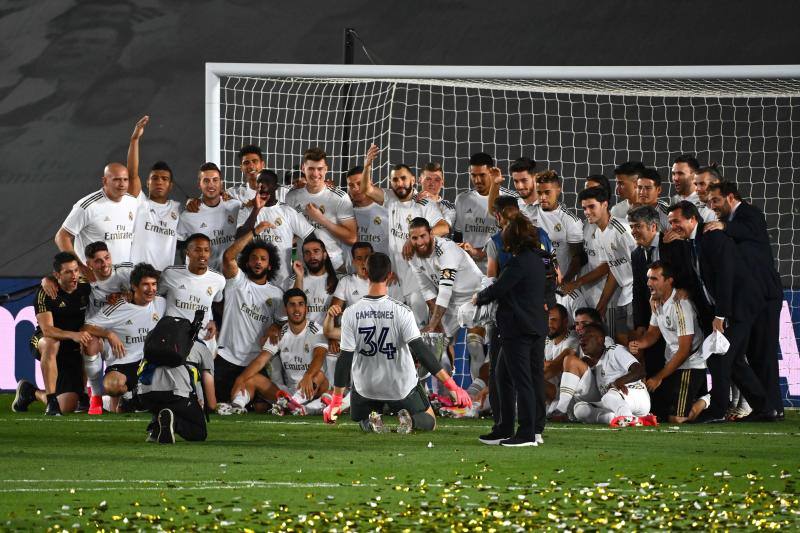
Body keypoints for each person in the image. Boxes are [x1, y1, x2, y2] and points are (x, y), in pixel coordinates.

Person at [323, 252, 471, 433]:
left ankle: (370, 418)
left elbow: (345, 359)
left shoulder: (351, 313)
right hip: (399, 386)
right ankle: (411, 421)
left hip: (365, 389)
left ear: (366, 274)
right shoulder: (402, 311)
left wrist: (336, 401)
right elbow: (421, 351)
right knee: (430, 421)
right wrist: (452, 386)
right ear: (390, 275)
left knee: (364, 410)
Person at [666, 200, 771, 422]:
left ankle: (717, 411)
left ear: (692, 219)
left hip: (740, 306)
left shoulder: (712, 238)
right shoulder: (689, 243)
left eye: (677, 221)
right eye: (669, 222)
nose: (672, 226)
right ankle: (765, 408)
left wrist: (720, 315)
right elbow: (693, 277)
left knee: (718, 359)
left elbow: (726, 277)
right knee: (734, 361)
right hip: (724, 308)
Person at [705, 181, 784, 419]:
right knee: (753, 353)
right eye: (709, 202)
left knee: (764, 352)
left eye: (716, 201)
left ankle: (773, 407)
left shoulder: (750, 213)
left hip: (767, 295)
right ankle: (767, 407)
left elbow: (747, 231)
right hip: (754, 296)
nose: (713, 207)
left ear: (730, 197)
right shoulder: (735, 221)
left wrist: (723, 226)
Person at [474, 214, 547, 447]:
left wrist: (478, 298)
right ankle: (507, 428)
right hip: (534, 326)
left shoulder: (519, 262)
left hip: (518, 328)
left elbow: (499, 288)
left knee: (521, 379)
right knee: (504, 375)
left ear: (512, 237)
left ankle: (526, 433)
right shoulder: (537, 259)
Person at [358, 143, 449, 322]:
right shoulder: (390, 198)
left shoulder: (424, 203)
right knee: (391, 323)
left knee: (417, 324)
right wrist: (368, 164)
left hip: (419, 276)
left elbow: (444, 227)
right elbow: (366, 189)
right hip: (395, 276)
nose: (399, 183)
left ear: (413, 180)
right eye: (395, 180)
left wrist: (414, 239)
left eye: (403, 178)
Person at [214, 223, 285, 409]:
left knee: (262, 406)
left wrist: (277, 325)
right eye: (254, 258)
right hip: (226, 357)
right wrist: (254, 232)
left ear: (270, 265)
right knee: (215, 405)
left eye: (263, 259)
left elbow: (284, 323)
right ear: (247, 262)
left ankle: (244, 405)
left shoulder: (277, 294)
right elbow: (228, 256)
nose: (258, 262)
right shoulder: (237, 282)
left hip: (254, 363)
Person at [408, 217, 487, 383]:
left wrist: (432, 324)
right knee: (438, 346)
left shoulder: (446, 250)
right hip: (451, 303)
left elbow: (444, 291)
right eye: (414, 238)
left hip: (475, 296)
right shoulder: (413, 256)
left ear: (431, 234)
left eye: (423, 236)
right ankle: (447, 397)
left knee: (474, 346)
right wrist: (436, 325)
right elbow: (427, 289)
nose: (419, 242)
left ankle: (478, 396)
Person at [227, 288, 329, 416]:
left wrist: (308, 376)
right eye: (292, 305)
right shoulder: (280, 333)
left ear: (306, 308)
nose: (297, 309)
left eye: (300, 304)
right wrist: (240, 379)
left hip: (314, 388)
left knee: (318, 375)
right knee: (251, 378)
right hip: (289, 392)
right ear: (285, 309)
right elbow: (260, 360)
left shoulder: (316, 330)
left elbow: (319, 356)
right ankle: (237, 405)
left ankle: (293, 403)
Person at [628, 261, 708, 423]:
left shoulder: (680, 306)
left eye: (654, 279)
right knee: (659, 414)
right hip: (672, 363)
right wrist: (640, 344)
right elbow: (653, 333)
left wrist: (659, 377)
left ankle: (709, 398)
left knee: (677, 419)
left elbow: (685, 350)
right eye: (648, 278)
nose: (649, 283)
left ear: (669, 281)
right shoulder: (657, 302)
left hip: (690, 365)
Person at [13, 252, 91, 416]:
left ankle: (29, 392)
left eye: (76, 270)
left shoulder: (85, 285)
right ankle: (51, 400)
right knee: (51, 342)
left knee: (67, 406)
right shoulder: (45, 293)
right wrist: (74, 335)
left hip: (72, 347)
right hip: (45, 340)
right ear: (57, 275)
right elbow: (47, 330)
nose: (74, 276)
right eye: (68, 272)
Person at [82, 262, 166, 413]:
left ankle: (131, 398)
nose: (151, 289)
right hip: (123, 364)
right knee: (112, 385)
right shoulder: (118, 306)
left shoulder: (161, 303)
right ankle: (110, 398)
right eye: (145, 285)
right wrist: (109, 334)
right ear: (134, 286)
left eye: (154, 284)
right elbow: (86, 327)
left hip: (149, 363)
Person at [159, 233, 226, 392]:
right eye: (197, 250)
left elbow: (214, 302)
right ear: (187, 253)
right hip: (175, 339)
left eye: (206, 250)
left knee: (205, 388)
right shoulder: (170, 274)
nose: (202, 254)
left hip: (203, 337)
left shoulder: (218, 280)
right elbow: (157, 297)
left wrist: (213, 321)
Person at [560, 323, 655, 427]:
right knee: (579, 409)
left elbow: (640, 371)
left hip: (635, 395)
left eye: (588, 335)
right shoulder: (594, 365)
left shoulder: (614, 350)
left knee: (608, 397)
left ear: (600, 340)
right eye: (581, 336)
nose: (582, 339)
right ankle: (618, 419)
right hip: (616, 402)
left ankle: (626, 417)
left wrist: (619, 381)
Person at [573, 187, 636, 343]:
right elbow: (614, 269)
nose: (587, 212)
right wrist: (601, 305)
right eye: (584, 208)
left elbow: (642, 263)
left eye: (591, 206)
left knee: (636, 346)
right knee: (623, 343)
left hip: (637, 296)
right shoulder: (600, 234)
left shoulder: (623, 230)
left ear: (605, 205)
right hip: (624, 296)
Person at [237, 169, 315, 287]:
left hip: (282, 281)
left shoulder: (287, 211)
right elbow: (239, 238)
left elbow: (311, 237)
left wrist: (303, 260)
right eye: (259, 182)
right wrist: (256, 209)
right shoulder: (247, 209)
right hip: (253, 280)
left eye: (267, 182)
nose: (262, 185)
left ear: (276, 187)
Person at [285, 147, 357, 270]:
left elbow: (352, 238)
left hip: (333, 265)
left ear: (326, 169)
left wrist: (320, 219)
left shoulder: (340, 197)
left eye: (320, 169)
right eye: (311, 168)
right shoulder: (292, 196)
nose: (315, 174)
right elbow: (289, 233)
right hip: (303, 266)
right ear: (303, 168)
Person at [55, 162, 138, 268]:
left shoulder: (132, 202)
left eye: (125, 179)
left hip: (123, 276)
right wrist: (81, 268)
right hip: (94, 277)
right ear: (105, 181)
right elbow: (61, 237)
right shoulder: (87, 206)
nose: (122, 184)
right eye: (116, 179)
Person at [127, 115, 182, 271]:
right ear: (147, 182)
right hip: (137, 277)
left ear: (170, 185)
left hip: (164, 279)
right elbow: (132, 174)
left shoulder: (178, 209)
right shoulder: (139, 202)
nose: (159, 181)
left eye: (164, 179)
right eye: (155, 178)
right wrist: (135, 140)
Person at [137, 339, 213, 444]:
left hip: (146, 396)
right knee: (199, 433)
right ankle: (172, 423)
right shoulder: (200, 347)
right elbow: (212, 403)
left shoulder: (152, 341)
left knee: (165, 401)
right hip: (177, 394)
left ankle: (156, 426)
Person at [177, 162, 241, 271]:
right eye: (206, 181)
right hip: (204, 279)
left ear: (221, 184)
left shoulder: (235, 207)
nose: (211, 185)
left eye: (215, 180)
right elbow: (179, 246)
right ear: (199, 184)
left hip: (232, 275)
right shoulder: (188, 215)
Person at [454, 152, 504, 273]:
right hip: (467, 270)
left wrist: (478, 253)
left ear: (491, 173)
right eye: (473, 175)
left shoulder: (506, 199)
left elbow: (508, 241)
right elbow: (458, 236)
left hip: (496, 271)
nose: (477, 180)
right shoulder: (462, 199)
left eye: (482, 175)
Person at [535, 170, 584, 283]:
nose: (542, 197)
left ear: (558, 190)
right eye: (539, 192)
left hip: (559, 282)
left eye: (547, 192)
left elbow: (578, 258)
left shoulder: (571, 221)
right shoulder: (529, 212)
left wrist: (563, 282)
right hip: (533, 282)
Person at [285, 236, 339, 325]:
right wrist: (299, 277)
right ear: (303, 257)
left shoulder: (338, 280)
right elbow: (293, 306)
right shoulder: (295, 279)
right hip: (303, 335)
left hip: (329, 335)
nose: (312, 256)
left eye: (316, 251)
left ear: (325, 255)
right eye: (307, 253)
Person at [228, 145, 290, 219]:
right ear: (241, 168)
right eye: (246, 163)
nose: (251, 166)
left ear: (262, 164)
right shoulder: (233, 194)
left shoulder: (284, 192)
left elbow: (300, 212)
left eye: (255, 161)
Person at [344, 165, 390, 264]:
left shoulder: (387, 210)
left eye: (359, 183)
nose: (355, 189)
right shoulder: (344, 214)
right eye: (351, 185)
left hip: (382, 274)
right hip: (354, 275)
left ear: (369, 183)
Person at [543, 304, 579, 416]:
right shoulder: (548, 340)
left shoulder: (572, 339)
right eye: (547, 320)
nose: (549, 324)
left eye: (554, 320)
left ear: (565, 321)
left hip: (569, 397)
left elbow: (553, 367)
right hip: (551, 395)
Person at [670, 154, 715, 222]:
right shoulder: (674, 200)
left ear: (694, 175)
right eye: (673, 174)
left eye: (680, 173)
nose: (675, 178)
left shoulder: (708, 201)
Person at [418, 161, 456, 227]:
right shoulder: (410, 200)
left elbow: (444, 230)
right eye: (428, 179)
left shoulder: (448, 208)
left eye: (437, 180)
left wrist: (432, 202)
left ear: (442, 183)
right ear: (419, 180)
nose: (432, 183)